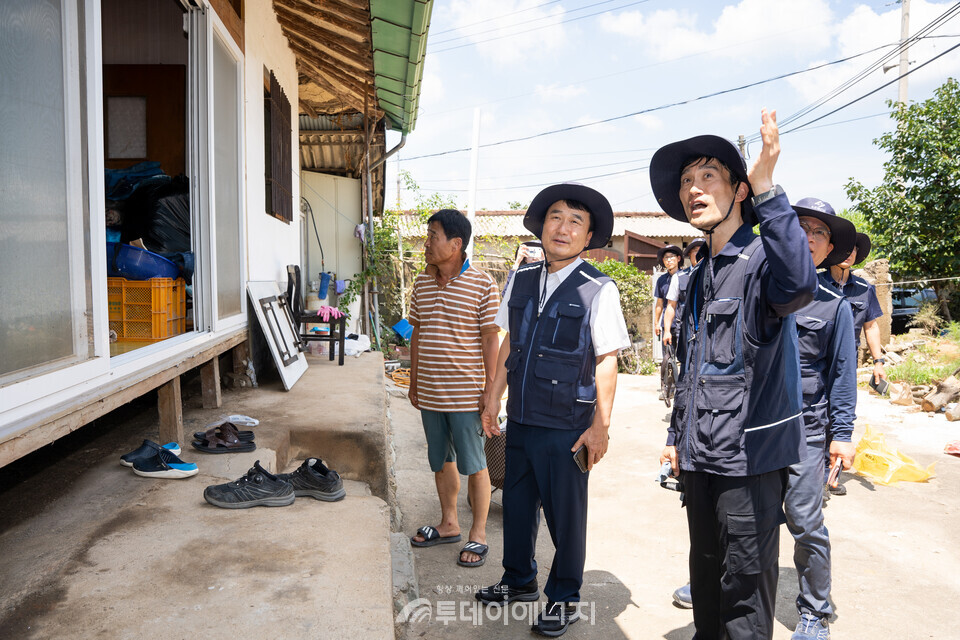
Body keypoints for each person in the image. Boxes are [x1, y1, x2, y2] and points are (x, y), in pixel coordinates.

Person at [653, 110, 817, 640]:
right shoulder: (700, 274)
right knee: (706, 589)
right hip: (701, 462)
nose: (693, 190)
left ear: (739, 189)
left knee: (744, 601)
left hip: (747, 465)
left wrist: (770, 188)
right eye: (685, 182)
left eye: (708, 177)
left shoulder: (762, 260)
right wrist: (676, 439)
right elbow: (694, 369)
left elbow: (797, 286)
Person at [475, 183, 630, 637]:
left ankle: (563, 598)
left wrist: (600, 427)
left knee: (566, 516)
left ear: (588, 237)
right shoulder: (521, 279)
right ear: (541, 227)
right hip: (521, 418)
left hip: (567, 425)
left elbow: (607, 359)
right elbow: (509, 343)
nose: (562, 228)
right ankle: (519, 579)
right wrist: (492, 396)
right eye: (555, 217)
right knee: (518, 507)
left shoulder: (597, 289)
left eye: (574, 221)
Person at [408, 209, 501, 569]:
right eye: (427, 235)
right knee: (440, 460)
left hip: (466, 394)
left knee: (475, 464)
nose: (427, 242)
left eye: (433, 235)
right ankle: (449, 523)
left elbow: (490, 340)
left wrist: (490, 391)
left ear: (456, 243)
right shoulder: (421, 283)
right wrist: (415, 380)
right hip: (430, 392)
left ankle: (478, 533)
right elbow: (416, 332)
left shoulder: (482, 284)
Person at [784, 198, 858, 640]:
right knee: (737, 516)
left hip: (806, 429)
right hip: (751, 427)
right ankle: (722, 585)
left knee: (806, 519)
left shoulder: (836, 306)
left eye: (818, 232)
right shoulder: (759, 287)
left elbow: (843, 376)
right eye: (799, 227)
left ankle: (815, 609)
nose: (808, 237)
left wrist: (842, 435)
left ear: (829, 248)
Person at [822, 232, 884, 496]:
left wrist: (879, 361)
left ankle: (831, 472)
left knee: (842, 413)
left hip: (847, 360)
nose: (850, 254)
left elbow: (871, 327)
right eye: (846, 249)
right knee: (816, 413)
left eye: (854, 250)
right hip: (816, 358)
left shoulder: (864, 289)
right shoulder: (815, 283)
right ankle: (814, 473)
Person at [662, 237, 706, 348]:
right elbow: (671, 306)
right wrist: (667, 331)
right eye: (696, 250)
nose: (700, 253)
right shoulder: (679, 277)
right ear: (690, 254)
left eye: (703, 250)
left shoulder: (714, 275)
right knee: (686, 362)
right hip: (685, 330)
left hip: (707, 330)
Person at [654, 244, 683, 342]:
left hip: (683, 324)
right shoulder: (661, 280)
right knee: (667, 357)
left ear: (678, 258)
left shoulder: (686, 277)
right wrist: (656, 323)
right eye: (666, 258)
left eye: (671, 257)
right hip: (667, 326)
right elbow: (659, 303)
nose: (669, 260)